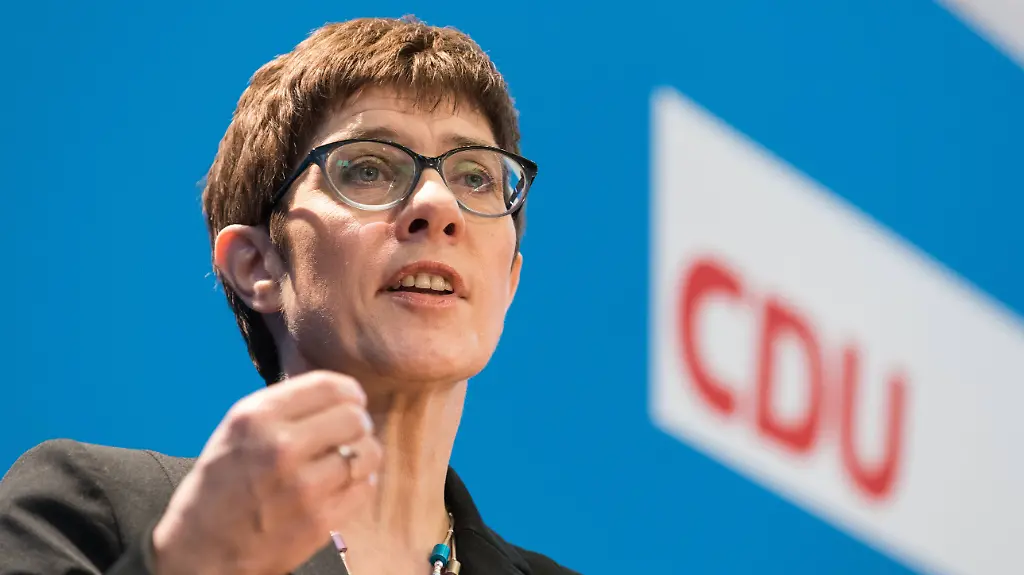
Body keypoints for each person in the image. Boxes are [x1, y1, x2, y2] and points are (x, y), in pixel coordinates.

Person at [0, 16, 580, 575]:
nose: (438, 205)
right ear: (258, 265)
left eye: (476, 177)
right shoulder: (94, 512)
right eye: (368, 169)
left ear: (508, 281)